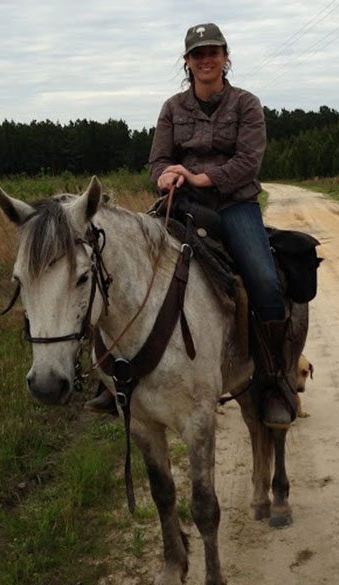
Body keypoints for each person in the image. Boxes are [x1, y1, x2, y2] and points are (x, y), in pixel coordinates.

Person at [86, 22, 296, 429]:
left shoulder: (247, 105)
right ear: (187, 62)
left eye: (213, 52)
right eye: (198, 54)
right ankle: (112, 378)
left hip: (234, 205)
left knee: (265, 281)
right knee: (119, 262)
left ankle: (272, 382)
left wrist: (203, 177)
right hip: (180, 203)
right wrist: (164, 176)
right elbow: (158, 159)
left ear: (225, 58)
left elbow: (248, 162)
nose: (206, 60)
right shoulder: (171, 108)